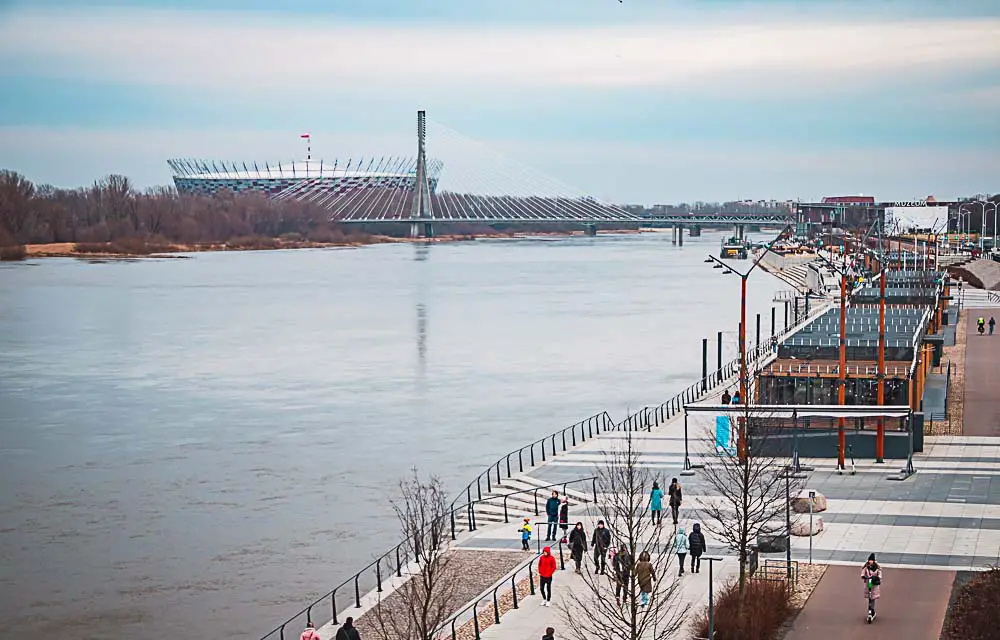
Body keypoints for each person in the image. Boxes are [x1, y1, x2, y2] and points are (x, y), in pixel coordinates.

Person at [861, 553, 883, 623]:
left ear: (873, 561)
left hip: (874, 585)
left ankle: (872, 610)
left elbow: (880, 575)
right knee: (869, 597)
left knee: (873, 597)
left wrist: (876, 577)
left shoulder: (877, 568)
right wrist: (864, 576)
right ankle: (870, 609)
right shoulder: (866, 567)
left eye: (871, 560)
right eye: (869, 560)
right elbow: (862, 574)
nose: (870, 561)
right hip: (869, 584)